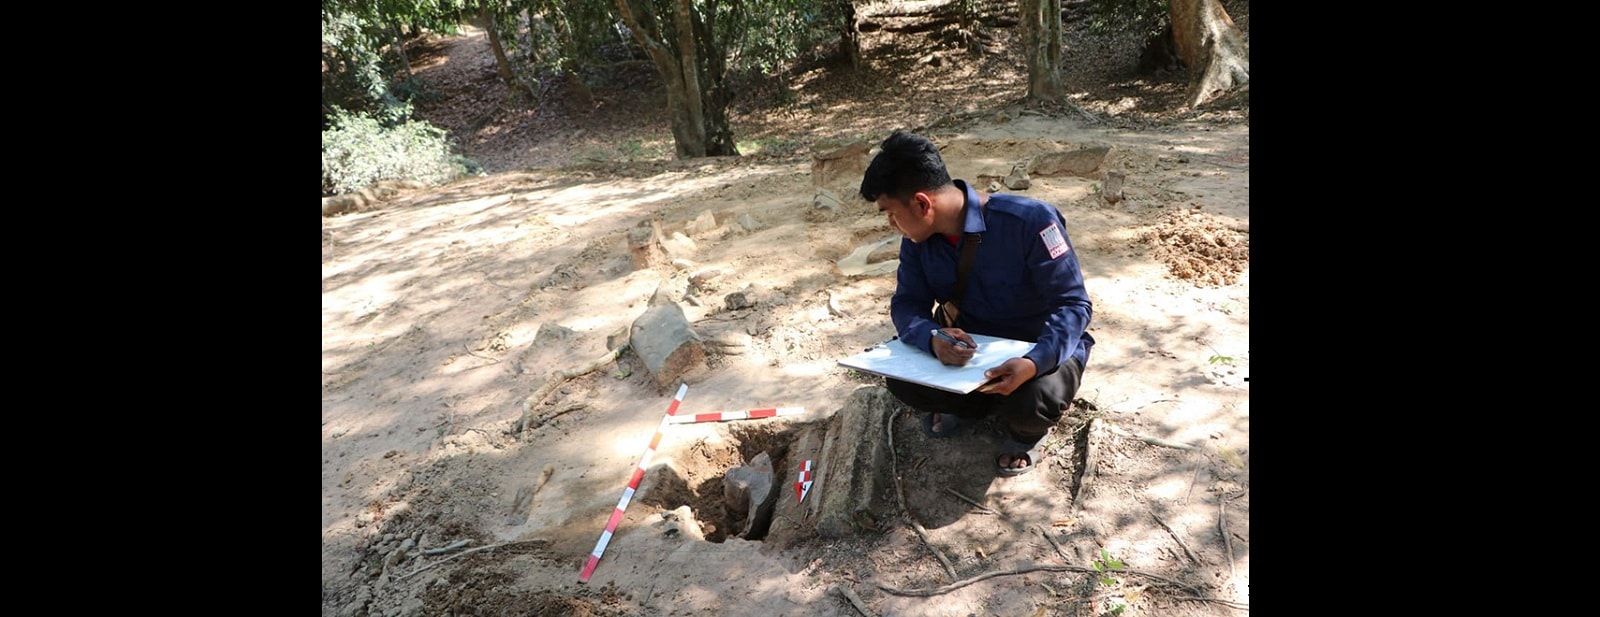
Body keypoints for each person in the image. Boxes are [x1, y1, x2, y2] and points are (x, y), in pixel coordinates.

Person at [858, 130, 1094, 476]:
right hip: (969, 354)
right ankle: (973, 407)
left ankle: (1024, 432)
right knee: (900, 380)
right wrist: (932, 337)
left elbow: (1074, 305)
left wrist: (1033, 362)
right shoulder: (917, 242)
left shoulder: (1030, 221)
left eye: (890, 213)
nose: (891, 224)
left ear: (922, 203)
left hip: (1037, 349)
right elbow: (908, 303)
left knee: (1035, 399)